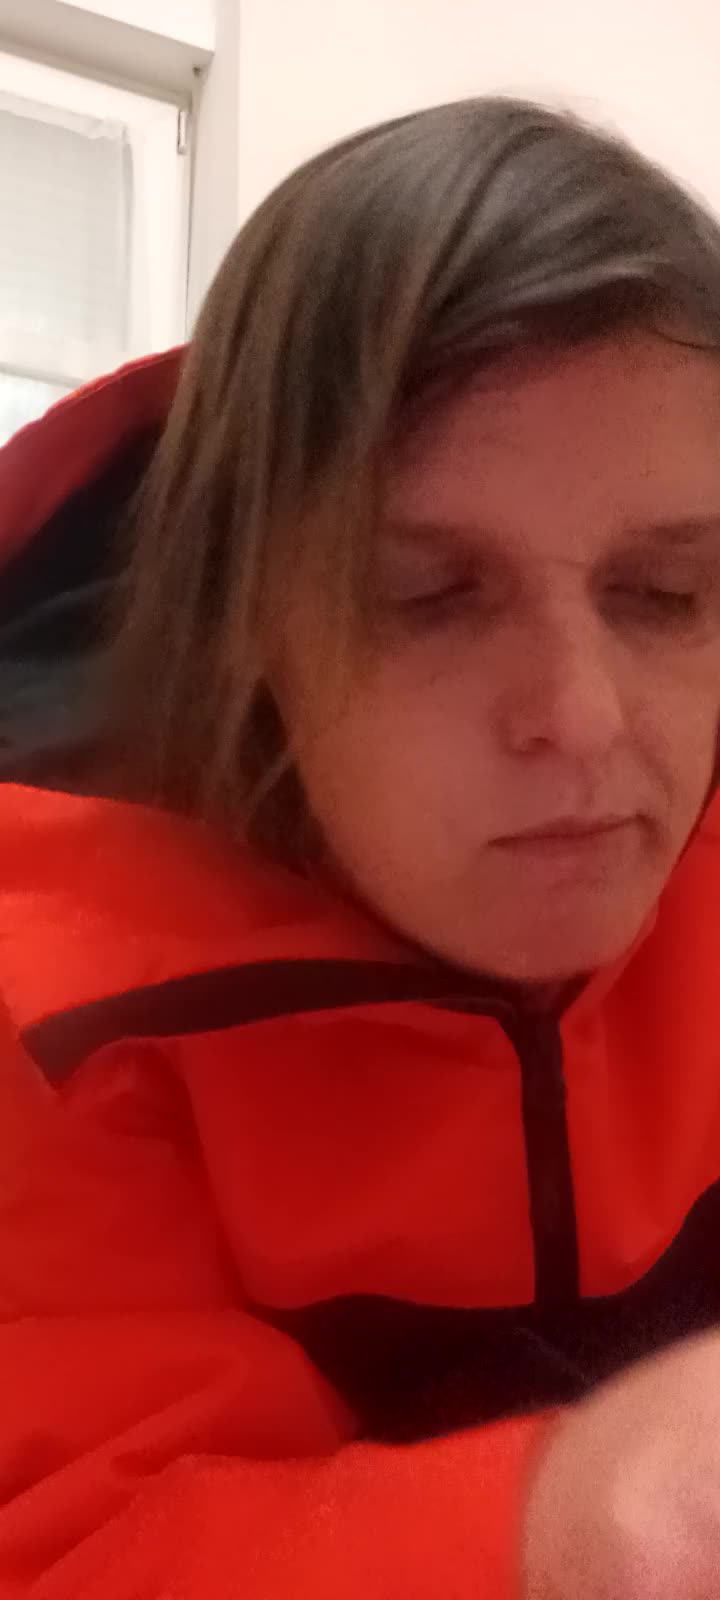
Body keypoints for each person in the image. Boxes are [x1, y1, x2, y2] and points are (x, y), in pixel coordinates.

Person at [2, 94, 720, 1600]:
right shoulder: (41, 1005)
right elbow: (71, 1544)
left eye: (668, 593)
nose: (581, 718)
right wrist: (579, 1521)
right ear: (246, 615)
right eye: (430, 597)